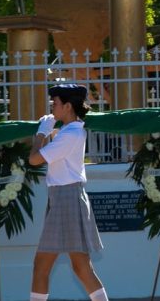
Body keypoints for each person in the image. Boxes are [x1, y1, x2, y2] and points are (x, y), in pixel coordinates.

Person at [27, 84, 107, 301]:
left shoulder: (70, 133)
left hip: (67, 198)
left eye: (55, 103)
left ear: (68, 106)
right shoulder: (70, 130)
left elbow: (34, 159)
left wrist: (41, 134)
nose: (52, 107)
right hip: (64, 198)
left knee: (43, 266)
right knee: (81, 267)